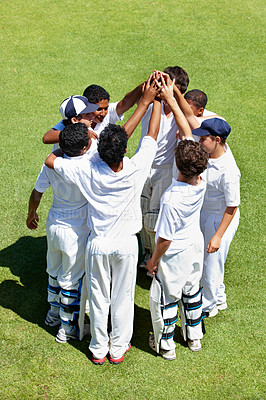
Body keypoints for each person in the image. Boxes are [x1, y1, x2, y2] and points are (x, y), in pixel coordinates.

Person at [44, 75, 162, 365]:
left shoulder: (87, 167)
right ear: (123, 150)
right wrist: (154, 102)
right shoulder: (135, 169)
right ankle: (118, 348)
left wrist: (78, 132)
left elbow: (51, 158)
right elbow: (151, 137)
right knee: (122, 298)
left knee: (97, 299)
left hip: (97, 244)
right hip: (126, 245)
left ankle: (98, 349)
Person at [146, 76, 208, 359]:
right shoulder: (201, 180)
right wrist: (171, 98)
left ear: (178, 163)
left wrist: (153, 260)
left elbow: (165, 238)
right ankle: (194, 337)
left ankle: (166, 344)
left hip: (174, 252)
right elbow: (186, 131)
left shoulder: (172, 197)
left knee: (166, 299)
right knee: (192, 290)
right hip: (195, 244)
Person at [26, 122, 94, 343]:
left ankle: (53, 315)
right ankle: (67, 328)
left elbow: (37, 193)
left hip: (53, 224)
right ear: (84, 148)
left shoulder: (52, 163)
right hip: (76, 231)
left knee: (54, 272)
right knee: (71, 281)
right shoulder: (89, 162)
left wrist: (31, 214)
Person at [137, 66, 190, 269]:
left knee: (155, 217)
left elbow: (187, 115)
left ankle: (157, 260)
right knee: (141, 214)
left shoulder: (182, 112)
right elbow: (136, 97)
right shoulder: (150, 105)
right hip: (143, 165)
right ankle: (147, 254)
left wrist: (174, 95)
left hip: (165, 170)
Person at [192, 118, 240, 317]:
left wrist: (218, 235)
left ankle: (208, 305)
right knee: (210, 260)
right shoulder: (210, 154)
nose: (199, 141)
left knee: (211, 263)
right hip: (206, 213)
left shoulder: (228, 171)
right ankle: (219, 298)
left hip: (220, 219)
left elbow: (232, 206)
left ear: (217, 140)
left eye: (203, 138)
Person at [42, 83, 143, 150]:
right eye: (98, 109)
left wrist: (147, 84)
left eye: (106, 108)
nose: (103, 113)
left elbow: (125, 102)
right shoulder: (71, 122)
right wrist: (82, 133)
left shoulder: (103, 114)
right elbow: (46, 138)